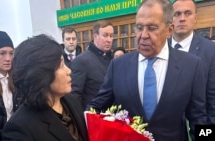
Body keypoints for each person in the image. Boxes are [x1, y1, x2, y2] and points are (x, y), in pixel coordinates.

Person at [87, 0, 207, 140]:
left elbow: (199, 119)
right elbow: (96, 107)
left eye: (152, 27)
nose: (143, 35)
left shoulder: (192, 66)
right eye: (139, 27)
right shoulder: (118, 66)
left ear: (169, 30)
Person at [2, 34, 88, 141]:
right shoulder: (19, 128)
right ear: (41, 74)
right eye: (60, 65)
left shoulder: (72, 102)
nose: (69, 71)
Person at [170, 0, 215, 124]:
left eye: (187, 13)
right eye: (177, 14)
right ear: (170, 19)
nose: (182, 18)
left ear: (195, 18)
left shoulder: (211, 51)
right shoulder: (160, 49)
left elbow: (213, 101)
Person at [71, 20, 114, 108]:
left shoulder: (113, 60)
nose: (109, 40)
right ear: (95, 36)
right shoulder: (81, 61)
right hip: (92, 117)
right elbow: (74, 96)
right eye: (105, 35)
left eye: (111, 36)